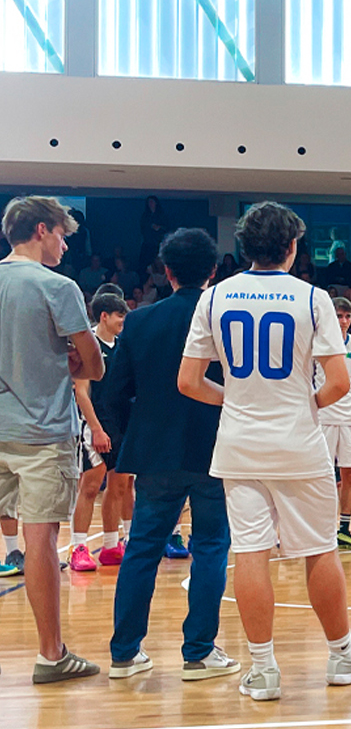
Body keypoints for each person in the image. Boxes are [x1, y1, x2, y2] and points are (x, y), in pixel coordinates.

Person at [179, 200, 351, 702]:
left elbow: (188, 381)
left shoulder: (214, 297)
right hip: (297, 443)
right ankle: (342, 656)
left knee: (249, 552)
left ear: (243, 246)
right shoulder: (312, 299)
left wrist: (237, 400)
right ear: (292, 247)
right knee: (319, 548)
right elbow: (339, 383)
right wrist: (301, 404)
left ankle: (263, 670)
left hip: (239, 444)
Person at [98, 228, 240, 680]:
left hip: (155, 452)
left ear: (166, 271)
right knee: (212, 547)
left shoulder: (138, 321)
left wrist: (123, 449)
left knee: (142, 548)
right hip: (216, 450)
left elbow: (113, 395)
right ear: (213, 271)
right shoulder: (228, 319)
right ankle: (198, 652)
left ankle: (124, 653)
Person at [0, 195, 105, 681]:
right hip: (41, 431)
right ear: (41, 230)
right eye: (62, 234)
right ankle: (51, 653)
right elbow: (95, 365)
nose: (65, 244)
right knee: (40, 539)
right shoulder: (56, 285)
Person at [69, 292, 134, 571]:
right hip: (95, 423)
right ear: (104, 316)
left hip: (121, 423)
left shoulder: (122, 346)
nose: (123, 321)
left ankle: (111, 545)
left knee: (119, 486)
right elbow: (81, 393)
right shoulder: (89, 347)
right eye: (120, 316)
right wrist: (96, 428)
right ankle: (79, 547)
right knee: (91, 485)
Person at [317, 298, 351, 551]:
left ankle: (345, 528)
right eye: (339, 316)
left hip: (350, 418)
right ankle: (322, 528)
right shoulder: (317, 342)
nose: (344, 321)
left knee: (350, 474)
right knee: (322, 475)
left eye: (348, 316)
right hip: (323, 416)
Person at [137, 195, 166, 275]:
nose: (150, 204)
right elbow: (142, 228)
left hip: (157, 244)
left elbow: (167, 227)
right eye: (149, 202)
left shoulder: (161, 215)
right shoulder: (145, 216)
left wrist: (159, 227)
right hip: (147, 243)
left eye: (152, 202)